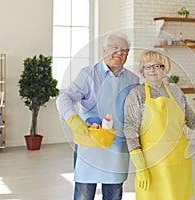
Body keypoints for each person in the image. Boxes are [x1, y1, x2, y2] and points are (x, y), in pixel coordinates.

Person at [123, 50, 195, 200]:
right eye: (147, 67)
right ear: (142, 71)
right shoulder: (137, 94)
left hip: (178, 159)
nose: (152, 70)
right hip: (153, 163)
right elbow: (130, 131)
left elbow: (193, 122)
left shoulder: (176, 91)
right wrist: (140, 167)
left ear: (164, 68)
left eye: (156, 66)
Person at [56, 33, 139, 200]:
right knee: (84, 194)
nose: (119, 53)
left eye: (124, 50)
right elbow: (65, 97)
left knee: (114, 194)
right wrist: (72, 118)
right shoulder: (88, 74)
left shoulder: (133, 79)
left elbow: (136, 111)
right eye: (114, 48)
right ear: (103, 50)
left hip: (117, 145)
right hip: (90, 142)